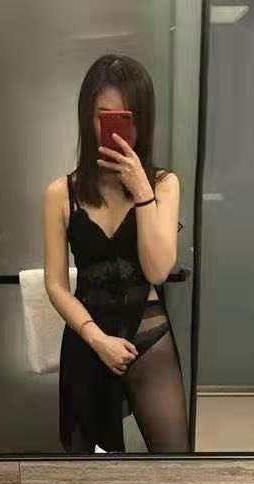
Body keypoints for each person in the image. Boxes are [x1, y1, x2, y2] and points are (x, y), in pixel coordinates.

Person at [43, 54, 189, 454]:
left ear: (144, 120)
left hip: (148, 333)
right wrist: (97, 339)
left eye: (127, 118)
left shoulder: (164, 185)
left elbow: (157, 271)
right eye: (103, 117)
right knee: (85, 466)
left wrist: (142, 190)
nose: (116, 129)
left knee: (175, 460)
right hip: (87, 336)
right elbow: (55, 285)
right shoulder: (60, 193)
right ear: (87, 118)